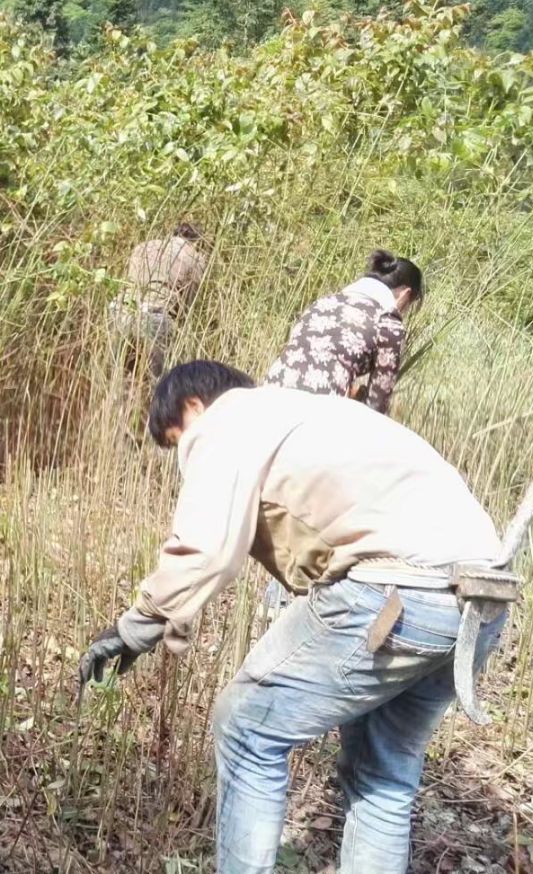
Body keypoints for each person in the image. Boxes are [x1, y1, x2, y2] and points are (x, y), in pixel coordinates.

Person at [77, 361, 505, 874]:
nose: (183, 458)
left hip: (398, 593)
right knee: (383, 773)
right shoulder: (314, 415)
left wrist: (134, 628)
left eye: (178, 442)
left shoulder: (230, 419)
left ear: (193, 405)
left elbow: (207, 549)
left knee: (246, 728)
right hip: (481, 601)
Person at [264, 250, 423, 416]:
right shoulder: (389, 323)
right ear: (406, 295)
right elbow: (376, 404)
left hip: (271, 389)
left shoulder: (324, 303)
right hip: (320, 405)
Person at [108, 221, 207, 379]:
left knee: (118, 376)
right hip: (155, 316)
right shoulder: (194, 257)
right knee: (160, 382)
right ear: (197, 242)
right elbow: (189, 302)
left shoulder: (144, 246)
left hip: (121, 310)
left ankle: (116, 402)